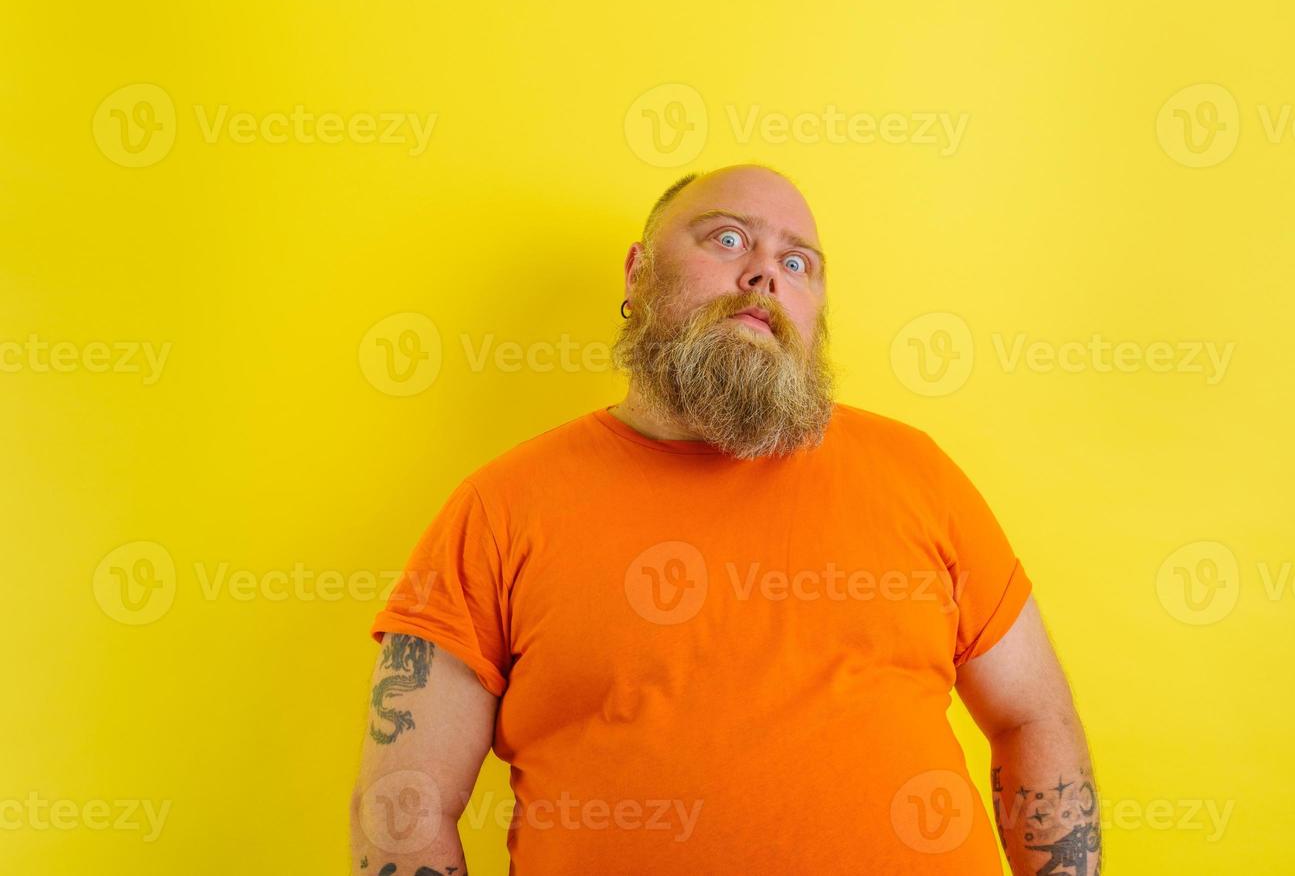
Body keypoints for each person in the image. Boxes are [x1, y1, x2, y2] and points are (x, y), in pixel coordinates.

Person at [348, 164, 1100, 875]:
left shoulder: (917, 472)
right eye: (728, 238)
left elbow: (1033, 719)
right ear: (637, 273)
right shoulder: (500, 507)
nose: (764, 274)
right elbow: (404, 804)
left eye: (798, 262)